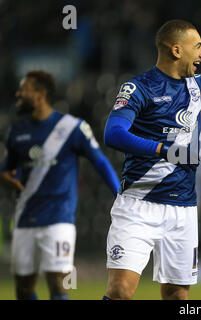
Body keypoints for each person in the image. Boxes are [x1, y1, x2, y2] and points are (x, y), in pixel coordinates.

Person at [102, 19, 201, 300]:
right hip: (138, 206)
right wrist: (163, 150)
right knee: (120, 292)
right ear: (177, 50)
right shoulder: (138, 88)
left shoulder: (199, 87)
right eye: (198, 47)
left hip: (183, 210)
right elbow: (113, 134)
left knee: (178, 296)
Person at [0, 70, 120, 300]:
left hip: (58, 220)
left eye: (23, 90)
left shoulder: (72, 128)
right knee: (23, 289)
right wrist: (8, 180)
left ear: (39, 94)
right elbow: (6, 170)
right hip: (25, 218)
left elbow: (100, 161)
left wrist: (118, 193)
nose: (17, 94)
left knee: (58, 285)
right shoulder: (18, 132)